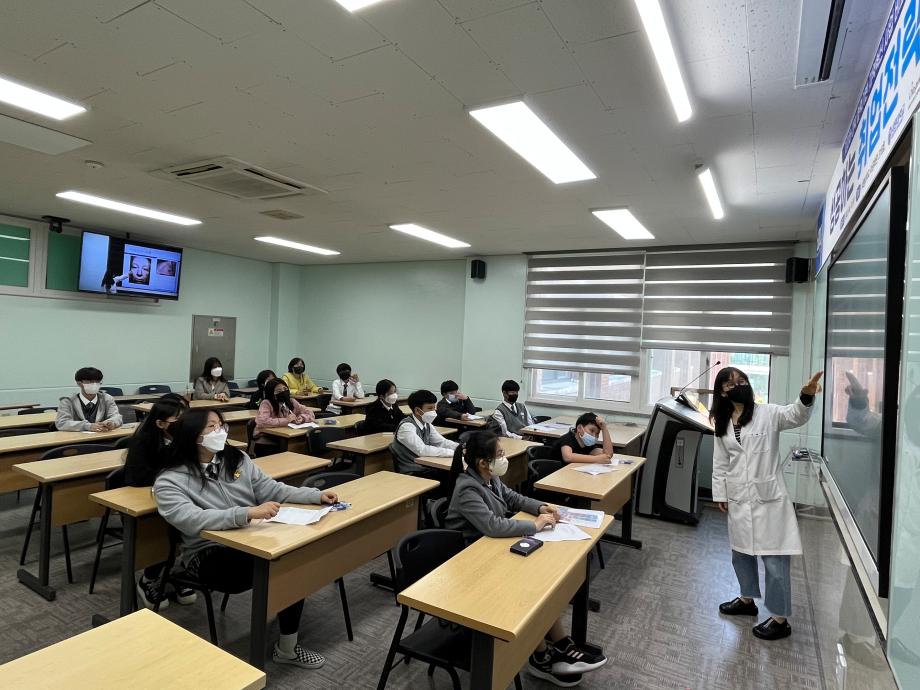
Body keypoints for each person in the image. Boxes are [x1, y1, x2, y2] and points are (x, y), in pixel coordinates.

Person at [154, 409, 338, 669]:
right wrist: (246, 513)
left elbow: (271, 489)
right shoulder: (170, 480)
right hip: (208, 553)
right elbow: (191, 520)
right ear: (192, 436)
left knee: (293, 559)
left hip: (252, 538)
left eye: (221, 425)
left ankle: (287, 647)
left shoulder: (236, 459)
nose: (220, 432)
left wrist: (314, 496)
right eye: (211, 427)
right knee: (282, 565)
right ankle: (285, 648)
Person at [445, 431, 607, 686]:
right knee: (527, 589)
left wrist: (540, 508)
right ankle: (540, 656)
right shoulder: (467, 488)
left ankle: (561, 643)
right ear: (482, 462)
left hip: (491, 549)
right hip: (471, 561)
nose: (504, 458)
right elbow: (493, 526)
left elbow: (513, 497)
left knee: (542, 583)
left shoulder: (490, 478)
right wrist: (535, 526)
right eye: (499, 455)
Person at [712, 367, 823, 641]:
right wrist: (721, 493)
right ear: (722, 392)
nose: (738, 385)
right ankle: (747, 600)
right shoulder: (722, 420)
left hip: (769, 499)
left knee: (774, 562)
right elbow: (721, 461)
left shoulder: (767, 413)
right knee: (741, 554)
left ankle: (779, 618)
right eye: (730, 383)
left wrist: (806, 396)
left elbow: (795, 414)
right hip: (739, 496)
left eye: (742, 381)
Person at [123, 397, 196, 610]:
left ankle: (176, 574)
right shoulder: (142, 441)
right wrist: (173, 479)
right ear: (160, 423)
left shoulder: (185, 438)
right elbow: (136, 477)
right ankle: (148, 579)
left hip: (179, 495)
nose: (183, 424)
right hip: (145, 497)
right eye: (177, 420)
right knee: (162, 537)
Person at [389, 390, 458, 476]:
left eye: (434, 407)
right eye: (430, 408)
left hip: (425, 466)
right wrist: (452, 453)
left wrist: (460, 448)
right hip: (412, 470)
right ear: (417, 410)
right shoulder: (406, 427)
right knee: (449, 475)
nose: (434, 411)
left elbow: (441, 442)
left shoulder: (427, 424)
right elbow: (422, 450)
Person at [254, 378, 316, 450]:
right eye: (279, 391)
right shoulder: (266, 403)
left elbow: (309, 412)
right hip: (267, 441)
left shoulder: (291, 401)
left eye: (285, 389)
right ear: (271, 394)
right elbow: (262, 422)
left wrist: (302, 418)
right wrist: (286, 420)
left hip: (286, 437)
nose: (283, 392)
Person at [56, 367, 123, 432]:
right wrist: (87, 426)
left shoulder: (107, 398)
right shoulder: (67, 401)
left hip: (103, 437)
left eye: (97, 382)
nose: (94, 384)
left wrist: (111, 422)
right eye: (90, 382)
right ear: (79, 383)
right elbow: (62, 423)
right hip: (77, 440)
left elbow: (117, 417)